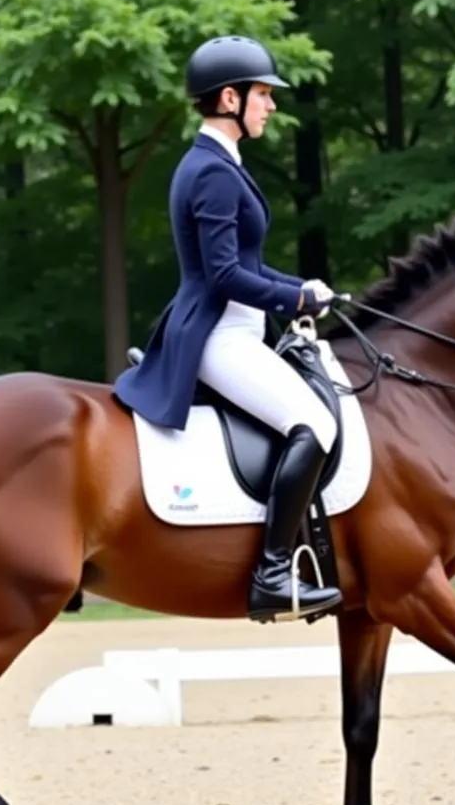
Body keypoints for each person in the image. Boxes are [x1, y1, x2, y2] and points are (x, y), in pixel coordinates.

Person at [113, 35, 343, 623]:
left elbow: (249, 264)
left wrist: (303, 289)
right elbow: (223, 274)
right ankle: (271, 575)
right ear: (230, 99)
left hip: (240, 328)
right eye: (263, 94)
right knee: (313, 422)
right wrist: (292, 295)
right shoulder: (212, 171)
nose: (270, 105)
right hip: (219, 335)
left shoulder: (220, 163)